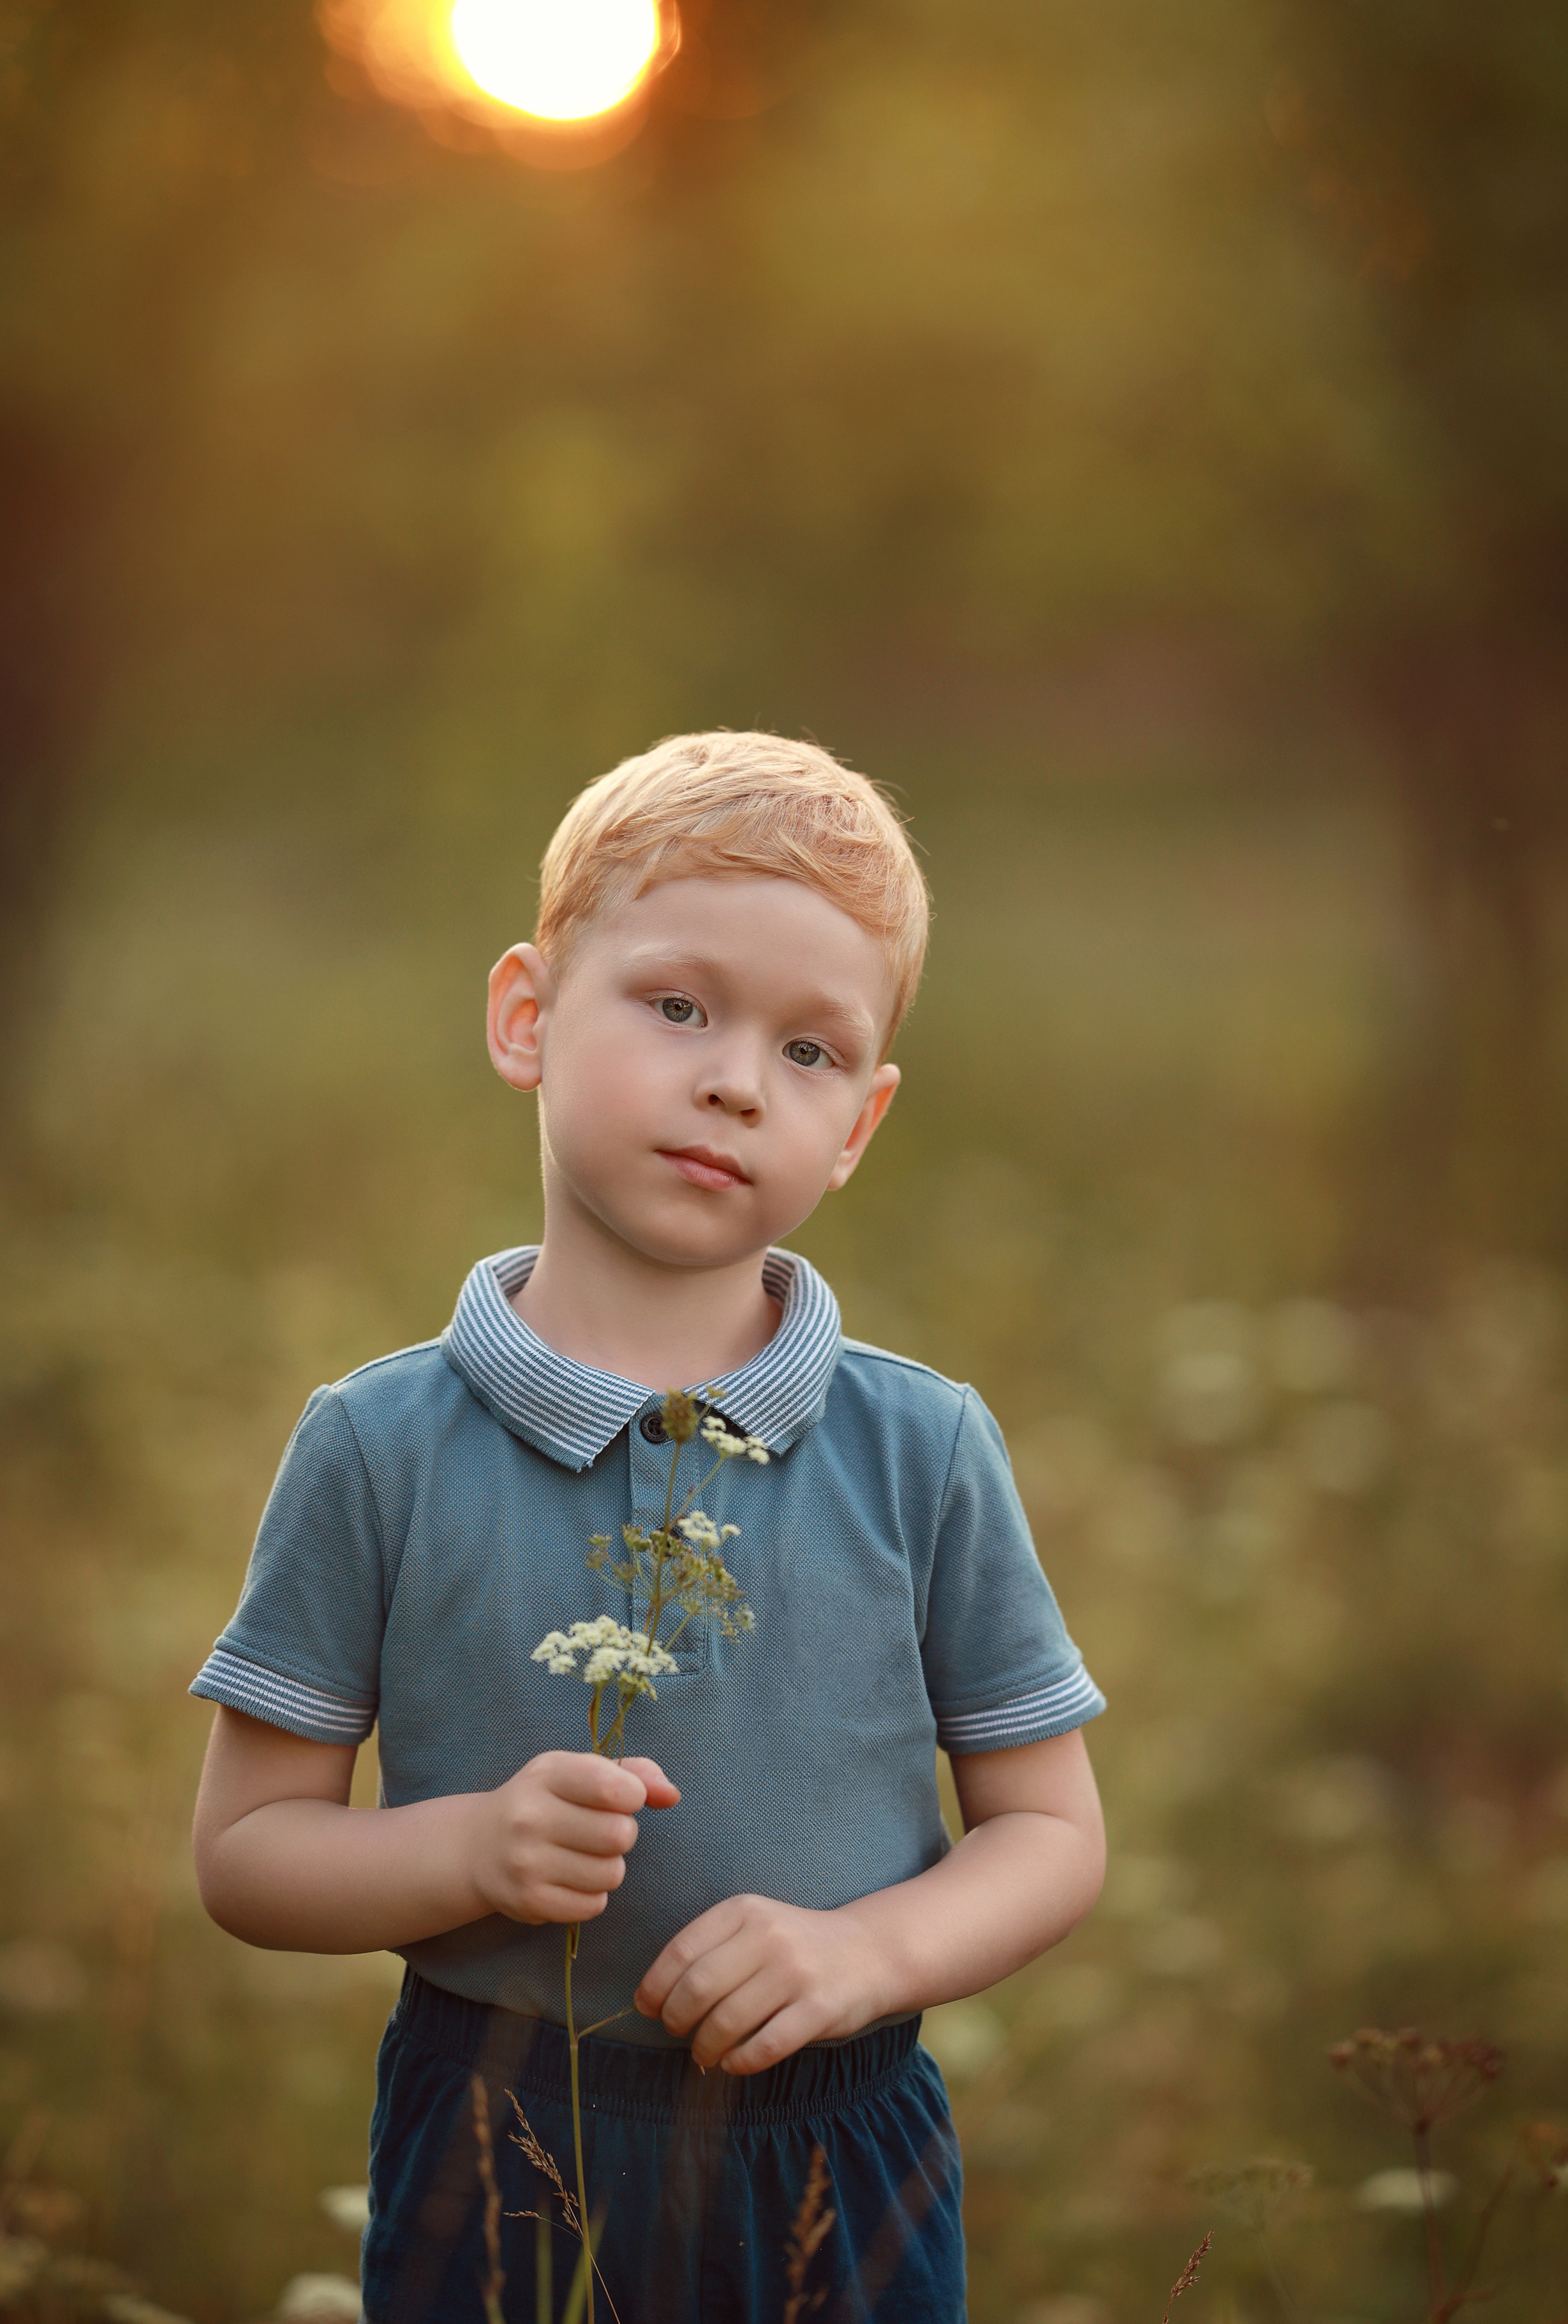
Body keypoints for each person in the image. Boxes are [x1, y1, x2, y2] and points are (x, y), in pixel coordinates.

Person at [189, 729, 1107, 2324]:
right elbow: (248, 1855)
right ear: (527, 1017)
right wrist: (465, 1849)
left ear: (860, 1125)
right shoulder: (378, 1446)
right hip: (495, 2133)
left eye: (808, 1052)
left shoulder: (924, 1448)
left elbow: (1052, 1835)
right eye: (677, 1006)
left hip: (832, 2144)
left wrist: (864, 1959)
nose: (735, 1078)